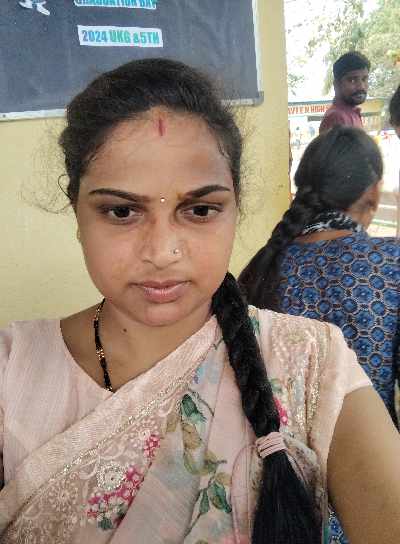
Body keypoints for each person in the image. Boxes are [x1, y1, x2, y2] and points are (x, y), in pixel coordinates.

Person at [0, 60, 400, 544]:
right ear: (77, 212)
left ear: (235, 207)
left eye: (201, 209)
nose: (162, 251)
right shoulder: (10, 369)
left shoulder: (312, 364)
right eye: (122, 211)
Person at [239, 125, 400, 543]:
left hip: (276, 496)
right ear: (372, 193)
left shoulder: (262, 268)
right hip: (368, 489)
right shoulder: (391, 264)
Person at [319, 51, 370, 134]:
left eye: (364, 79)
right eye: (352, 80)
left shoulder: (351, 113)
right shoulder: (337, 118)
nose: (361, 86)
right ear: (336, 85)